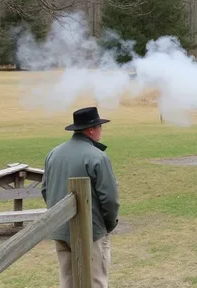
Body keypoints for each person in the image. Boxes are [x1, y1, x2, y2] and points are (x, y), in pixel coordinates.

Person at [41, 106, 120, 288]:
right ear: (91, 129)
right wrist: (108, 224)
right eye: (99, 126)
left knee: (68, 281)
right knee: (95, 280)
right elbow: (109, 198)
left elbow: (45, 190)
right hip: (91, 231)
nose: (101, 130)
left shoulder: (53, 154)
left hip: (60, 228)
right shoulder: (98, 157)